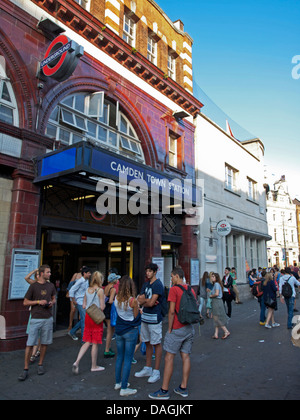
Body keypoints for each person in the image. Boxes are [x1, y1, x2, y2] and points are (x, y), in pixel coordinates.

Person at [149, 267, 196, 400]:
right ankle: (183, 387)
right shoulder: (190, 289)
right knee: (186, 356)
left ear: (177, 276)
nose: (171, 279)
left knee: (169, 357)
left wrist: (170, 328)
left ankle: (164, 390)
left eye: (172, 276)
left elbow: (171, 311)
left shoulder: (174, 290)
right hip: (189, 327)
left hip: (177, 327)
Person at [18, 265, 56, 381]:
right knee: (30, 343)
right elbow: (25, 302)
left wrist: (51, 303)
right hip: (36, 317)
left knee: (44, 343)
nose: (50, 274)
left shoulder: (51, 285)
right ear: (42, 273)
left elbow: (54, 298)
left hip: (48, 317)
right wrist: (38, 301)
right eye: (48, 272)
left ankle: (40, 364)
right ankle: (25, 368)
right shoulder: (33, 286)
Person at [135, 263, 164, 384]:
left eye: (150, 271)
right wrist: (146, 301)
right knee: (147, 342)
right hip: (145, 317)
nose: (147, 273)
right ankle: (148, 367)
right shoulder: (146, 284)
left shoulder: (158, 284)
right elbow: (139, 300)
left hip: (154, 318)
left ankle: (156, 370)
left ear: (154, 272)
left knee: (156, 343)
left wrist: (144, 302)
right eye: (146, 271)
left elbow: (150, 303)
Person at [72, 271, 105, 374]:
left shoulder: (87, 289)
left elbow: (83, 305)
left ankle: (77, 362)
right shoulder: (100, 291)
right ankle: (93, 366)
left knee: (87, 341)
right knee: (95, 343)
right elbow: (102, 307)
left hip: (88, 316)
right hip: (96, 318)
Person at [114, 275, 141, 397]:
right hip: (130, 331)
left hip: (119, 330)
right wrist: (139, 310)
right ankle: (124, 387)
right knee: (128, 359)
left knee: (120, 357)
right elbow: (135, 317)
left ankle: (118, 382)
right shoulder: (133, 301)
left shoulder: (116, 298)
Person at [68, 267, 92, 342]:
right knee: (84, 319)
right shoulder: (80, 281)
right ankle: (83, 339)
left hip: (83, 302)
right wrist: (74, 300)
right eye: (88, 273)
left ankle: (72, 332)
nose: (90, 274)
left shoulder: (86, 280)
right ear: (84, 273)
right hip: (80, 302)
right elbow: (71, 290)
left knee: (83, 319)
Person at [104, 272, 120, 358]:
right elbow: (110, 301)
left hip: (105, 309)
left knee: (109, 329)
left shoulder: (106, 287)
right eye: (116, 279)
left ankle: (108, 347)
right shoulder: (113, 289)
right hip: (110, 310)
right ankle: (107, 350)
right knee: (110, 330)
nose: (118, 280)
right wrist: (115, 301)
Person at [210, 273, 230, 340]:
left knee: (217, 318)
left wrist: (211, 295)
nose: (212, 278)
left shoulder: (216, 284)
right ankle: (216, 334)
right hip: (216, 302)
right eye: (211, 276)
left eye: (213, 276)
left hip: (217, 302)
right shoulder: (217, 284)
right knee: (215, 318)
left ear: (216, 278)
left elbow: (217, 294)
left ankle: (226, 331)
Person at [66, 267, 87, 332]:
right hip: (74, 294)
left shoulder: (86, 278)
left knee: (81, 312)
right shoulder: (76, 274)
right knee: (73, 310)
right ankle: (70, 325)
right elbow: (71, 284)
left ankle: (80, 326)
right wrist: (68, 291)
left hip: (81, 295)